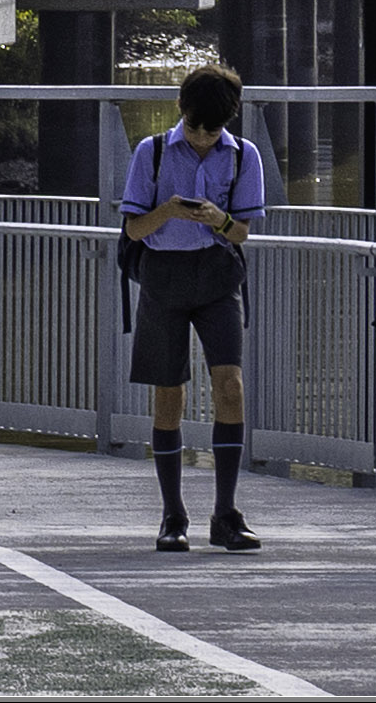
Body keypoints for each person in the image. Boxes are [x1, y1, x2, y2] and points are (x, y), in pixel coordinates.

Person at [120, 64, 266, 553]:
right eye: (195, 127)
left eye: (213, 129)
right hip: (163, 277)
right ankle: (172, 513)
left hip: (218, 276)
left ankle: (226, 512)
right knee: (169, 392)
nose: (203, 138)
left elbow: (244, 231)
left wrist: (219, 219)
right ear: (181, 111)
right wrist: (169, 211)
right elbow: (134, 230)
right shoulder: (153, 152)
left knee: (231, 385)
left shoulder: (244, 155)